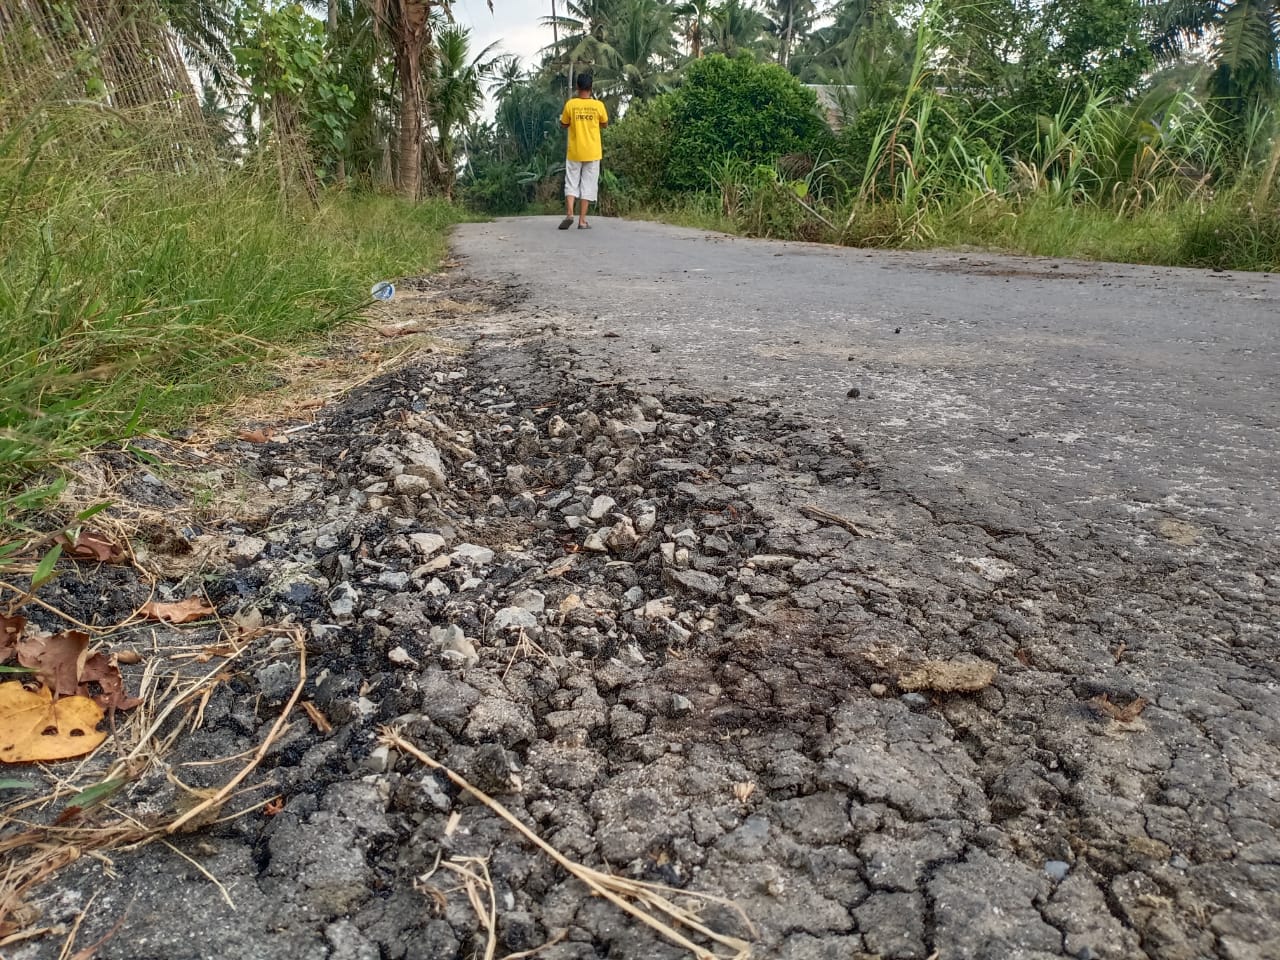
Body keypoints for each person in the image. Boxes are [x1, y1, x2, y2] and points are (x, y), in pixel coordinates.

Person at [559, 73, 608, 230]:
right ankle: (582, 221)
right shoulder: (598, 105)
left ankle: (570, 213)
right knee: (588, 185)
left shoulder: (570, 105)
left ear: (577, 87)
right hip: (592, 152)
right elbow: (605, 123)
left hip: (575, 151)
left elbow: (564, 124)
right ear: (591, 88)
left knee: (571, 182)